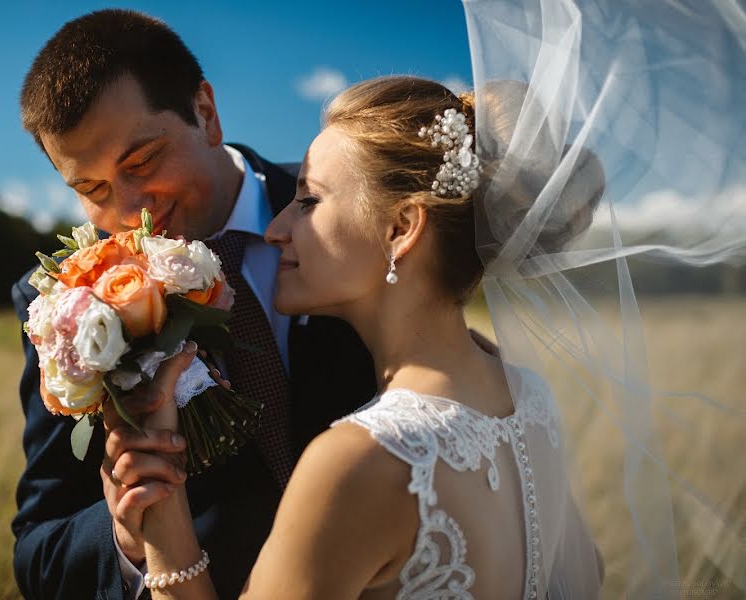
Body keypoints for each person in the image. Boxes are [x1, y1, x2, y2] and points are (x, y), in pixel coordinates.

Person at [111, 75, 606, 598]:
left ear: (401, 227)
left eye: (308, 200)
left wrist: (164, 527)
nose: (277, 230)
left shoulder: (358, 462)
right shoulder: (529, 399)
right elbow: (587, 572)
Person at [10, 9, 380, 599]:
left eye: (142, 162)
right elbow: (39, 550)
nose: (131, 211)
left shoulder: (342, 208)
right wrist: (127, 537)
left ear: (205, 112)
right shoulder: (57, 305)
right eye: (93, 190)